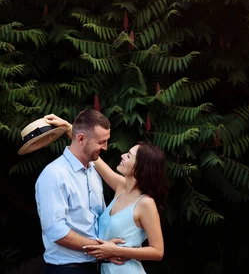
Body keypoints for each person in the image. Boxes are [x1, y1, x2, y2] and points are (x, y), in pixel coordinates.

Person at [35, 110, 125, 274]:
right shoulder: (54, 174)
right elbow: (57, 232)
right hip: (66, 269)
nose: (105, 148)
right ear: (81, 139)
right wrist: (102, 249)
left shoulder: (93, 170)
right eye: (101, 142)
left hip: (95, 267)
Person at [83, 142, 168, 273]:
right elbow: (96, 160)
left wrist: (114, 250)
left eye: (129, 156)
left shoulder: (145, 203)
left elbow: (157, 252)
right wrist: (68, 129)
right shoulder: (122, 188)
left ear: (139, 168)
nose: (122, 156)